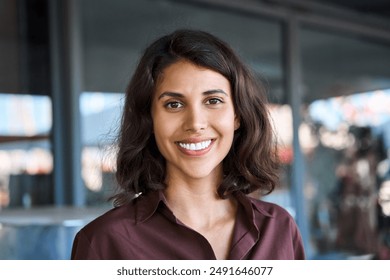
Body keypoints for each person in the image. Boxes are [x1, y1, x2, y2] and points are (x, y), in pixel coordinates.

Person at [71, 29, 305, 260]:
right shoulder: (102, 243)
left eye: (213, 101)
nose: (195, 123)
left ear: (237, 115)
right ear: (150, 119)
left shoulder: (280, 229)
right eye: (174, 104)